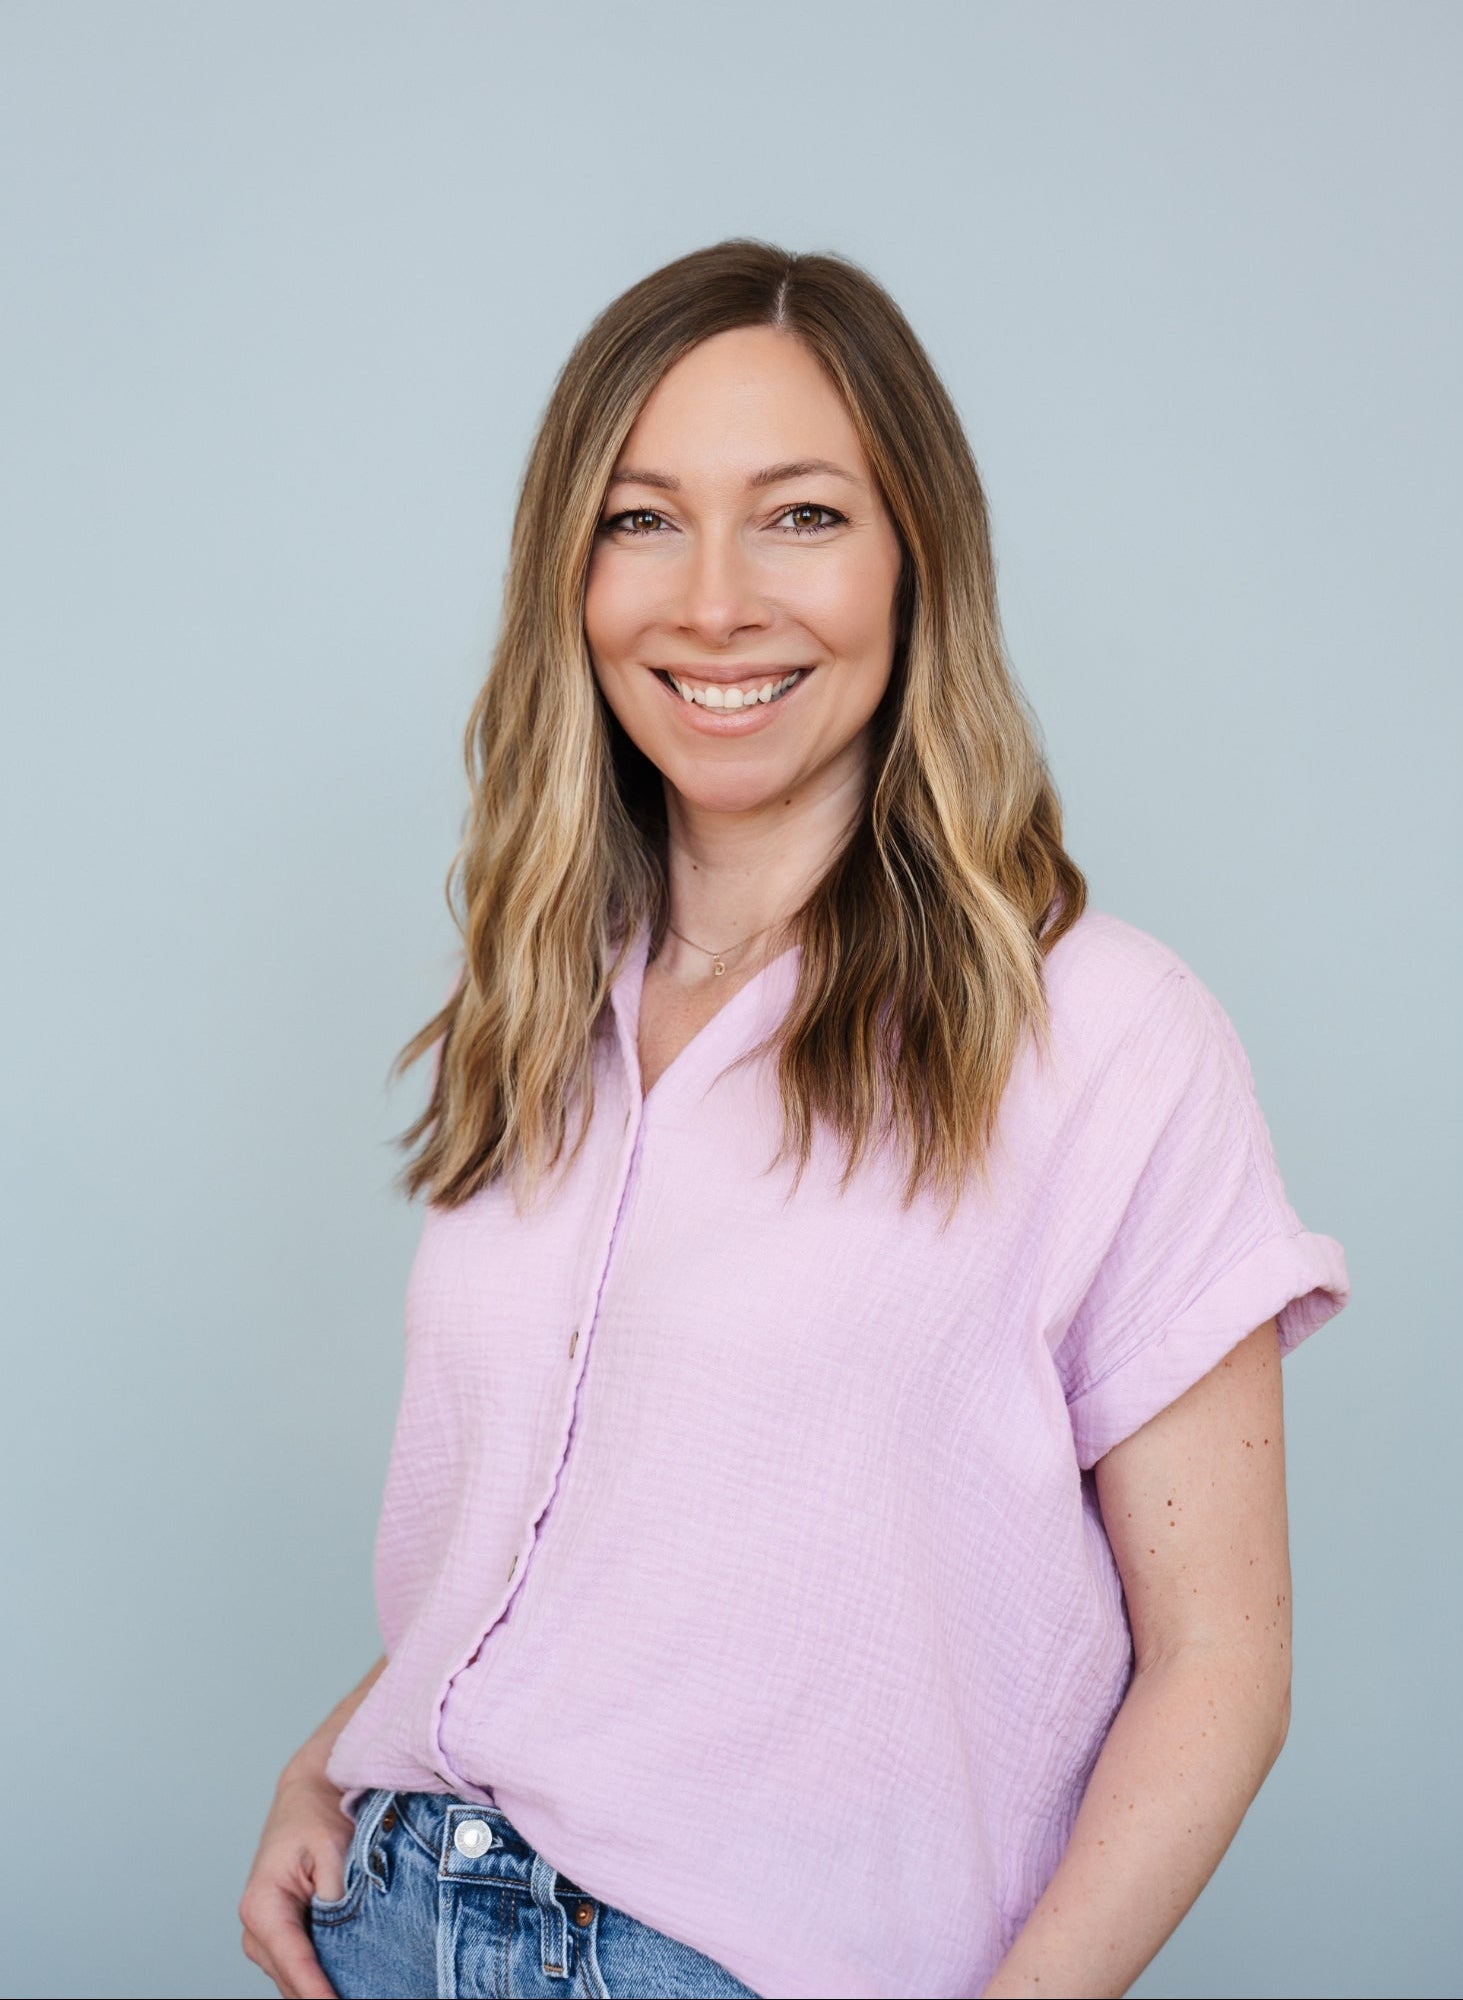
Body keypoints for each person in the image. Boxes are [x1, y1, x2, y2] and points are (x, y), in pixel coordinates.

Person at [239, 240, 1349, 2000]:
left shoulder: (1110, 1036)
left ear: (920, 560)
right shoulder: (537, 1007)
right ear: (570, 575)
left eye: (805, 515)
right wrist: (340, 1749)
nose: (717, 601)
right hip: (393, 1923)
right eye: (641, 518)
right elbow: (594, 1539)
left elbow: (1222, 1670)